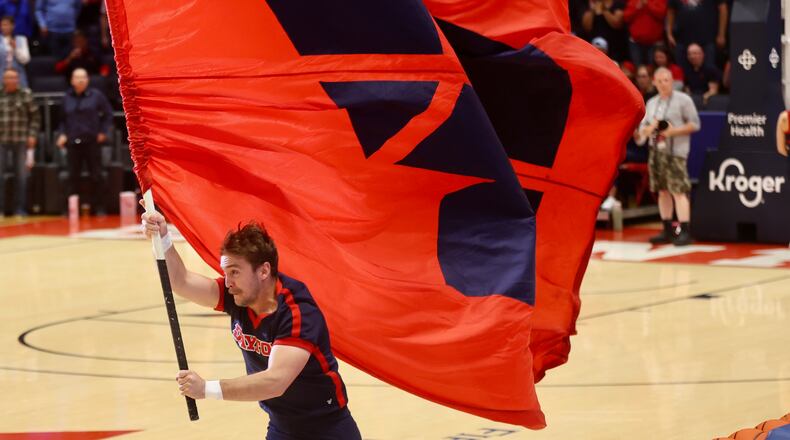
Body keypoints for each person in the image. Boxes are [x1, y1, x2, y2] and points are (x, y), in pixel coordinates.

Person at [140, 215, 362, 440]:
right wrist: (163, 239)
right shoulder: (237, 295)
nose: (227, 283)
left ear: (264, 271)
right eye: (225, 273)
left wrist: (207, 388)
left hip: (326, 429)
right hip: (281, 427)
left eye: (235, 272)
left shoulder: (297, 312)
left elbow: (275, 382)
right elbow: (181, 281)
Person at [636, 67, 700, 246]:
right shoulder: (651, 103)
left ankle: (685, 230)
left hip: (675, 152)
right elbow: (643, 129)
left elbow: (695, 124)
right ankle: (667, 229)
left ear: (672, 82)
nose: (663, 84)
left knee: (678, 191)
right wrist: (648, 130)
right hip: (656, 152)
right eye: (660, 81)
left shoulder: (683, 100)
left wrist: (673, 131)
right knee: (662, 191)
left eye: (667, 80)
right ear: (654, 82)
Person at [56, 67, 112, 215]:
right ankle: (70, 209)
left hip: (92, 141)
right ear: (72, 80)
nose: (80, 80)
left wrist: (103, 132)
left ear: (87, 80)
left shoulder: (96, 96)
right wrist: (62, 134)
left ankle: (99, 207)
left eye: (83, 77)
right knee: (72, 176)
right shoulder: (66, 97)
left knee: (96, 175)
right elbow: (62, 121)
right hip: (73, 142)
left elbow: (108, 114)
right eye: (77, 77)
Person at [0, 68, 38, 218]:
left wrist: (32, 135)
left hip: (21, 140)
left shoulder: (26, 94)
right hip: (1, 140)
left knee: (21, 176)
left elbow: (35, 117)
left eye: (14, 78)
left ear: (18, 79)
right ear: (4, 80)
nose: (11, 81)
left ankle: (20, 209)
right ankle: (1, 209)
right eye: (8, 78)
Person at [666, 0, 727, 72]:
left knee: (709, 69)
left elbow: (723, 9)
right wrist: (669, 34)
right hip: (682, 39)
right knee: (681, 71)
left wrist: (721, 34)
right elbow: (670, 12)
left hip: (707, 38)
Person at [623, 0, 666, 66]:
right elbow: (626, 17)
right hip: (635, 43)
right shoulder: (633, 1)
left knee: (653, 68)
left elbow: (662, 14)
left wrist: (648, 4)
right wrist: (637, 8)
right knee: (638, 69)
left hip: (654, 43)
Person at [0, 16, 29, 88]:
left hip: (18, 76)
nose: (4, 27)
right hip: (1, 76)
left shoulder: (21, 39)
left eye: (7, 25)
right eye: (3, 25)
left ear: (12, 26)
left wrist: (16, 48)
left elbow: (25, 60)